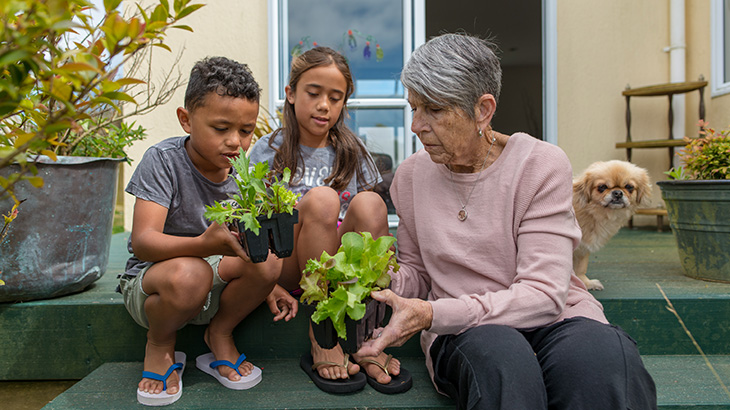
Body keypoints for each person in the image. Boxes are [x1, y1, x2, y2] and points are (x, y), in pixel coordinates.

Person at [356, 33, 658, 409]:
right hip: (467, 331)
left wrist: (433, 312)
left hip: (557, 318)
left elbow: (546, 295)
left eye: (433, 110)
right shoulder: (412, 175)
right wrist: (381, 278)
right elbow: (418, 271)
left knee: (604, 362)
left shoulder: (540, 165)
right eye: (413, 108)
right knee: (502, 364)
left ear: (483, 109)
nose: (416, 125)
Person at [119, 56, 298, 406]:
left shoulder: (245, 175)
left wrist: (266, 285)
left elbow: (243, 249)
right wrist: (203, 244)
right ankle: (160, 344)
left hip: (210, 282)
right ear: (186, 119)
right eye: (221, 129)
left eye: (246, 131)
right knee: (190, 272)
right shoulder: (163, 161)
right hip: (156, 285)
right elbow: (142, 243)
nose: (235, 142)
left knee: (269, 261)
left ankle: (220, 333)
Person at [248, 46, 412, 394]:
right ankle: (322, 330)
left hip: (344, 274)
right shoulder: (269, 149)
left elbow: (372, 225)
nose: (325, 105)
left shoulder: (352, 150)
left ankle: (365, 332)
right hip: (293, 266)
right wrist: (264, 280)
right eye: (314, 93)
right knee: (322, 198)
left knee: (370, 203)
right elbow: (251, 222)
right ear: (291, 94)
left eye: (335, 98)